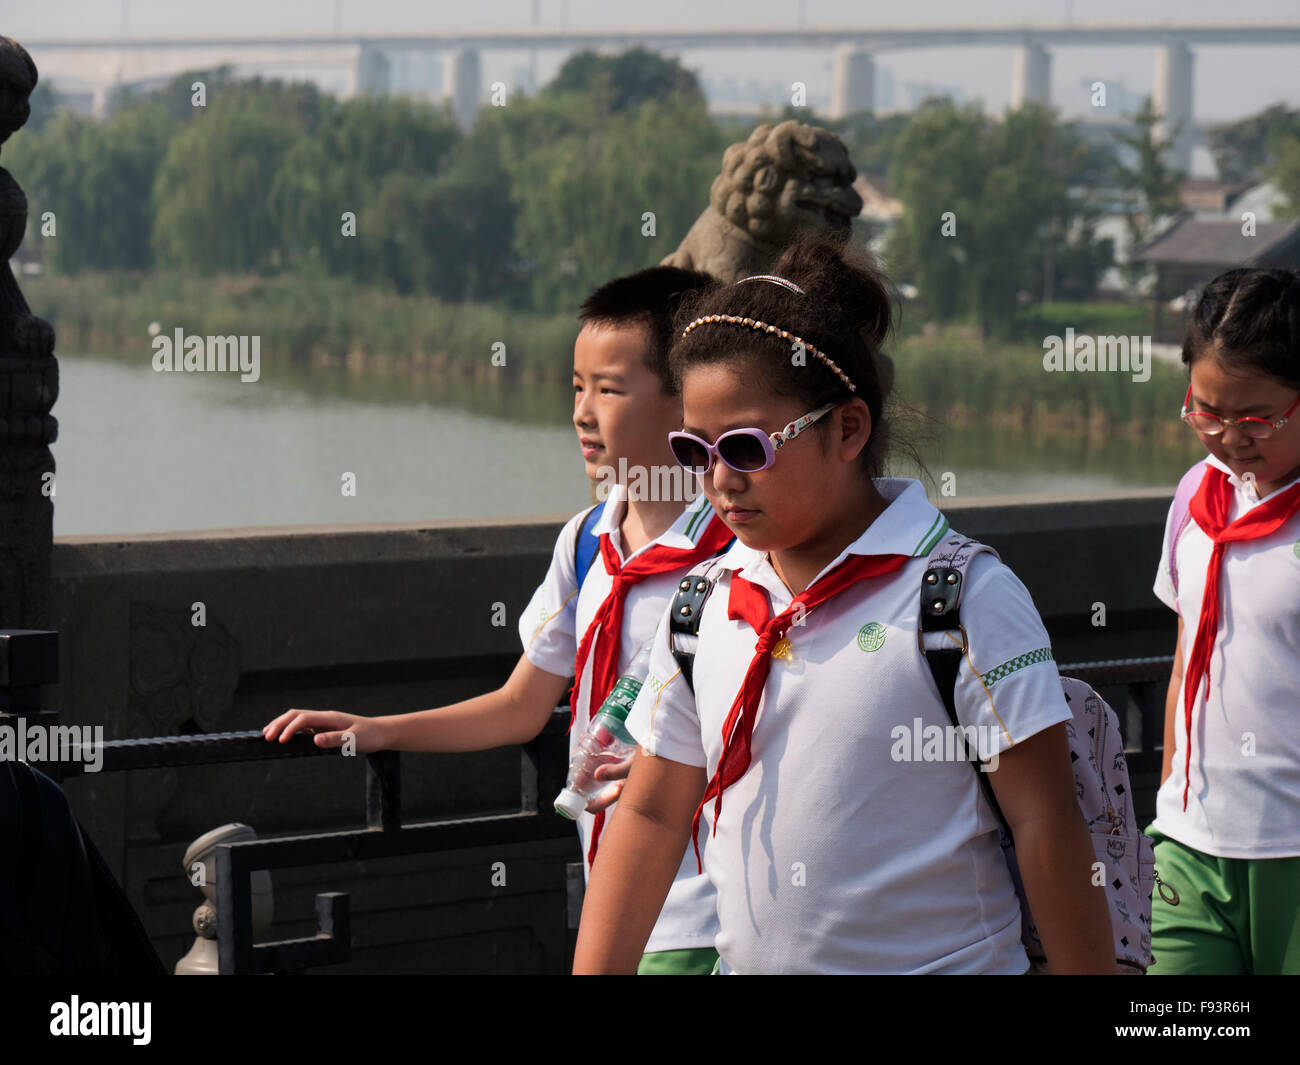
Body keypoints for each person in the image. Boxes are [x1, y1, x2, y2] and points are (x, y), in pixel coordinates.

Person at [572, 239, 1115, 974]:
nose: (720, 481)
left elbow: (1046, 822)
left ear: (848, 429)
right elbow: (652, 811)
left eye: (747, 447)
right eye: (696, 450)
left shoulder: (958, 597)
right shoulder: (700, 606)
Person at [263, 265, 733, 974]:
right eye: (577, 387)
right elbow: (520, 706)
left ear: (684, 403)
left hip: (710, 909)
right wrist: (380, 729)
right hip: (611, 898)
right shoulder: (586, 542)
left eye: (609, 389)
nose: (582, 411)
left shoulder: (741, 554)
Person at [1147, 267, 1300, 975]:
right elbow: (1187, 656)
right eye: (1207, 412)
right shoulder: (1195, 498)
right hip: (1191, 845)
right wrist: (1172, 788)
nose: (1230, 439)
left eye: (1256, 419)